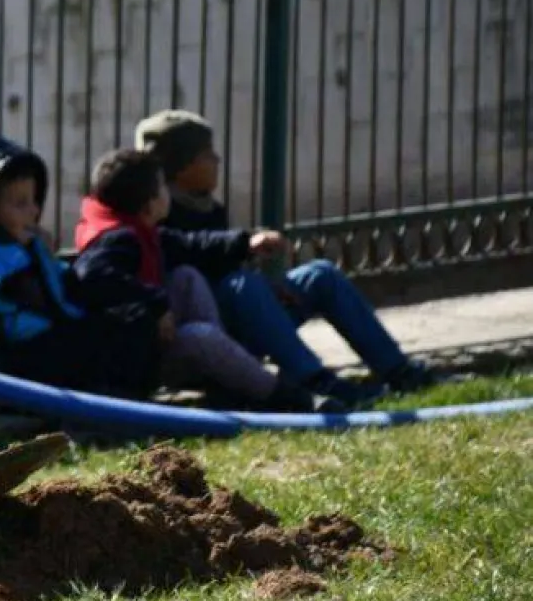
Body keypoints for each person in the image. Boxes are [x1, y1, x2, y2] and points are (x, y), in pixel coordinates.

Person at [136, 109, 439, 400]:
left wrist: (269, 289)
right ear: (181, 166)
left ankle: (400, 371)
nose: (217, 160)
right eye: (206, 155)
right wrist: (245, 245)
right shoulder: (151, 210)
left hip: (244, 317)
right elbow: (184, 248)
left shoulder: (205, 205)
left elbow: (223, 263)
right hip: (203, 333)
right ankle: (313, 381)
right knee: (242, 285)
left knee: (320, 275)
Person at [0, 122, 159, 399]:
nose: (34, 211)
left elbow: (67, 298)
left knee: (133, 320)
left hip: (51, 341)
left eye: (34, 201)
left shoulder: (28, 245)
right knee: (74, 348)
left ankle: (121, 401)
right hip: (1, 367)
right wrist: (4, 315)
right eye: (19, 203)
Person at [71, 149, 319, 411]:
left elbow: (193, 244)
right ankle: (285, 397)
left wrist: (246, 242)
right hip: (132, 361)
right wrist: (156, 305)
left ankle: (227, 382)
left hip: (144, 340)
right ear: (148, 204)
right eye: (162, 186)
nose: (168, 191)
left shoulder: (141, 232)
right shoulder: (116, 240)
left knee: (186, 277)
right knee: (201, 337)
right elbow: (91, 275)